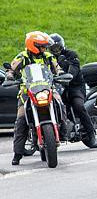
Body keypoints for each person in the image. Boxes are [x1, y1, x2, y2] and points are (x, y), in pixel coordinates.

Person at [6, 31, 63, 165]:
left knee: (60, 104)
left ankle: (63, 131)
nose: (45, 49)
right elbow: (12, 69)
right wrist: (10, 76)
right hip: (27, 92)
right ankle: (18, 153)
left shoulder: (48, 57)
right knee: (20, 120)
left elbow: (57, 68)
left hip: (47, 89)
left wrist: (60, 74)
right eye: (42, 46)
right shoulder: (23, 57)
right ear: (34, 45)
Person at [48, 33, 97, 146]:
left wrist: (67, 72)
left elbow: (73, 71)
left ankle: (91, 133)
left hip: (75, 87)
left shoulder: (71, 55)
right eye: (53, 48)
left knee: (78, 105)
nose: (55, 50)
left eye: (57, 48)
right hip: (57, 87)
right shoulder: (48, 58)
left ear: (62, 46)